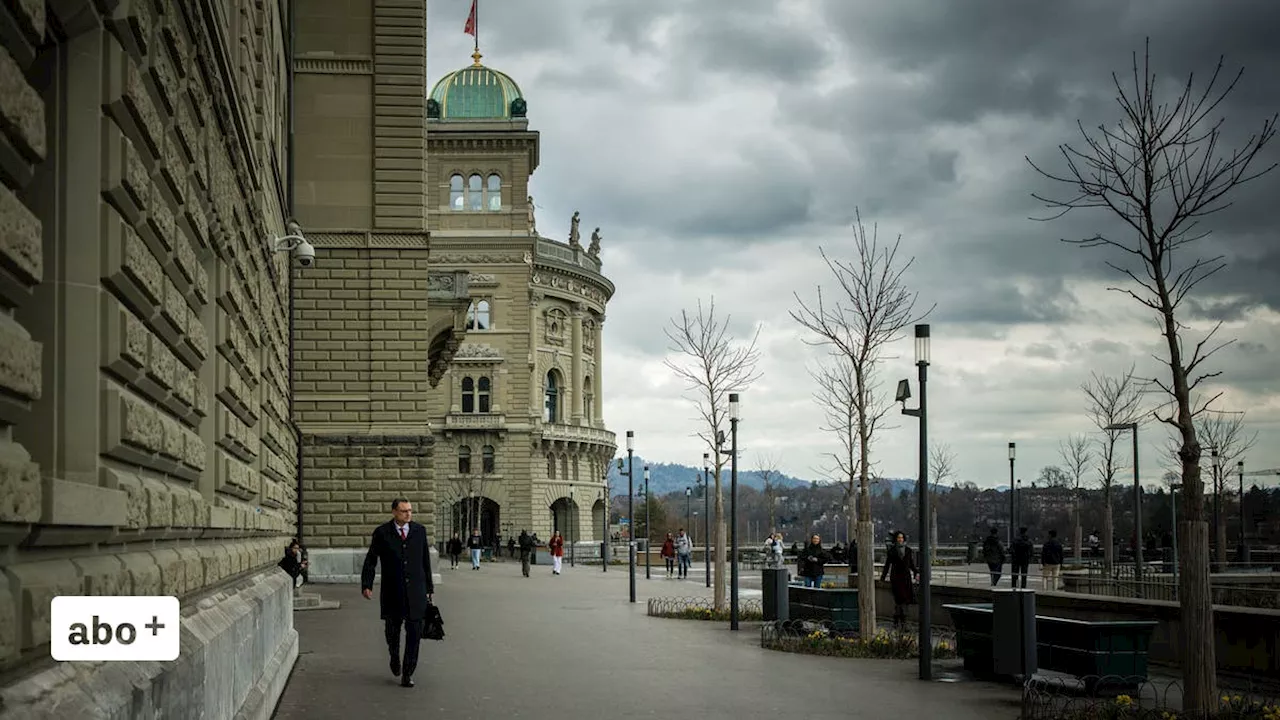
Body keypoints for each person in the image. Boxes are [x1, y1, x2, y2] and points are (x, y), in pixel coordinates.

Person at [360, 498, 434, 689]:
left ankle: (408, 672)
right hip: (393, 591)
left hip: (416, 592)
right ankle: (394, 655)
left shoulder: (419, 531)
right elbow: (371, 559)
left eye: (410, 510)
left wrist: (429, 589)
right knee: (392, 631)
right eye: (403, 511)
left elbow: (425, 561)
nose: (408, 514)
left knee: (414, 633)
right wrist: (366, 584)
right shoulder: (382, 533)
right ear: (394, 512)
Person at [881, 531, 919, 628]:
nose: (900, 539)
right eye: (898, 538)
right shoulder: (892, 551)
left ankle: (898, 620)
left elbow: (911, 564)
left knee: (904, 600)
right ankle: (903, 621)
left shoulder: (908, 550)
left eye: (902, 538)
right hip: (896, 578)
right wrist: (883, 577)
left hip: (906, 578)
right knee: (900, 600)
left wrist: (916, 572)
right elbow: (887, 565)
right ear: (896, 539)